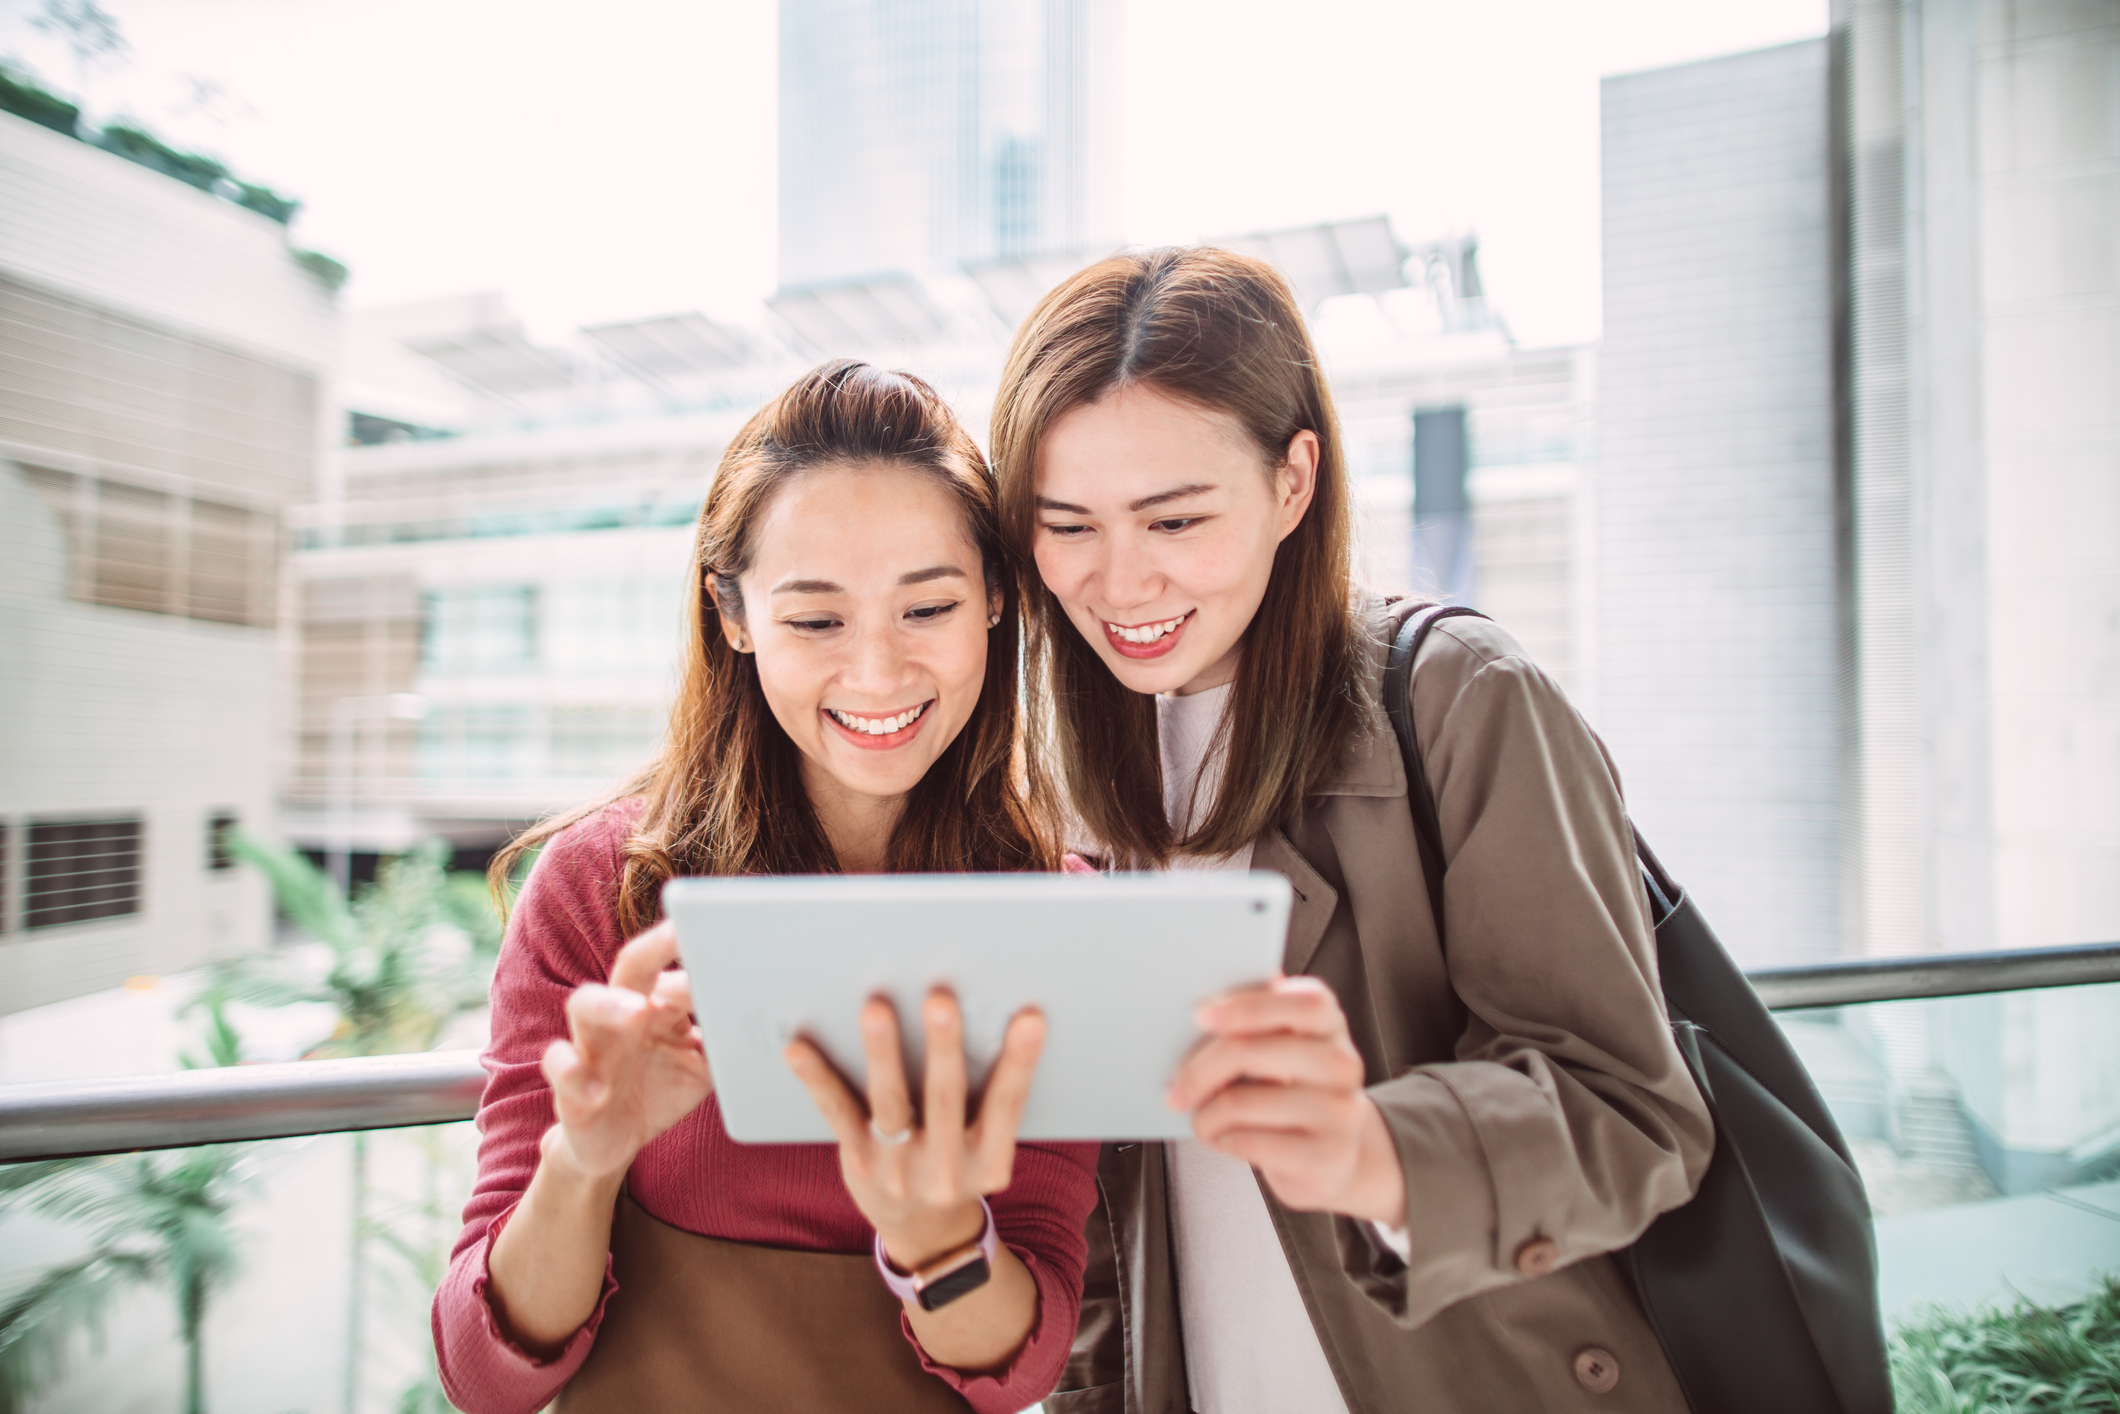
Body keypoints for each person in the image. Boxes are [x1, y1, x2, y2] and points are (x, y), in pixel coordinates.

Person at [989, 248, 1717, 1413]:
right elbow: (1109, 1232)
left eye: (1173, 518)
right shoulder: (1059, 782)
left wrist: (1371, 1150)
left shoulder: (1458, 698)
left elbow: (1634, 1113)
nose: (1117, 584)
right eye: (1064, 525)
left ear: (1292, 481)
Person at [431, 361, 1099, 1414]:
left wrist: (935, 1235)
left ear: (997, 603)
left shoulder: (1053, 921)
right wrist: (584, 1160)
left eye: (927, 606)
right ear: (732, 615)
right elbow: (484, 1372)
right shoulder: (599, 890)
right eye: (816, 621)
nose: (876, 675)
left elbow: (1021, 1365)